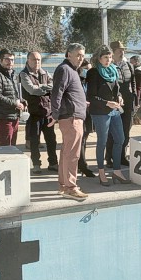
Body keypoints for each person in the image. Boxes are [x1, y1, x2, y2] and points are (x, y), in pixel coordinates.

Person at [87, 45, 131, 187]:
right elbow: (91, 97)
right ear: (99, 58)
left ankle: (117, 171)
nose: (108, 60)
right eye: (105, 57)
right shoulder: (93, 73)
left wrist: (119, 98)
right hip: (100, 112)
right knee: (102, 141)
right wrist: (107, 103)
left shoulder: (113, 71)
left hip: (115, 110)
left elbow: (116, 90)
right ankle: (101, 173)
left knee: (120, 139)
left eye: (110, 57)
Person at [50, 43, 89, 201]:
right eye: (78, 55)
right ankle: (71, 187)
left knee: (67, 153)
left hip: (73, 115)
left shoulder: (71, 70)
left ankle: (64, 185)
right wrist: (55, 113)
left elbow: (66, 93)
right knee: (72, 154)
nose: (81, 58)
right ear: (68, 54)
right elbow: (56, 92)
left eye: (83, 55)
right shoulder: (65, 69)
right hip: (71, 118)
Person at [19, 51, 58, 174]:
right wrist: (45, 88)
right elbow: (31, 90)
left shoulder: (45, 73)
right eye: (34, 59)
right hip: (33, 113)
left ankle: (53, 163)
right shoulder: (23, 74)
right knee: (34, 141)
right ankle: (36, 164)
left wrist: (42, 87)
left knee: (51, 140)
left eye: (39, 60)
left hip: (48, 112)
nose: (37, 62)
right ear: (28, 60)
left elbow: (53, 86)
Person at [105, 40, 137, 167]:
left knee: (125, 130)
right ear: (113, 52)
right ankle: (109, 158)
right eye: (119, 50)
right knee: (112, 131)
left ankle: (122, 156)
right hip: (114, 101)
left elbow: (133, 83)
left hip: (128, 101)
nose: (122, 52)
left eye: (123, 50)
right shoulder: (108, 66)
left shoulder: (129, 65)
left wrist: (135, 98)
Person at [0, 48, 27, 146]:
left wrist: (22, 101)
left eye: (12, 59)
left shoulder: (13, 75)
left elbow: (15, 94)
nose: (10, 62)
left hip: (15, 115)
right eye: (7, 59)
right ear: (0, 60)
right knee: (6, 146)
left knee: (13, 146)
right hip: (4, 116)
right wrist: (15, 103)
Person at [76, 58, 96, 178]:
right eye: (86, 69)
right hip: (79, 112)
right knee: (80, 139)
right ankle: (82, 165)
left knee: (84, 138)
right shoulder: (76, 79)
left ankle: (82, 164)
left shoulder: (88, 81)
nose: (89, 72)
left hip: (89, 112)